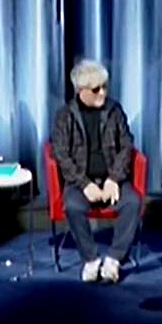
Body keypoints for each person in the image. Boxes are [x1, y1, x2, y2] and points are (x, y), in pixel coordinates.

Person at [51, 59, 142, 284]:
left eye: (104, 87)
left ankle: (114, 259)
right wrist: (85, 184)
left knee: (132, 202)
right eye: (95, 89)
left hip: (112, 179)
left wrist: (114, 179)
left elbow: (127, 146)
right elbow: (61, 155)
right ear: (80, 91)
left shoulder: (114, 111)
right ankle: (90, 259)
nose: (102, 93)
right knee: (72, 206)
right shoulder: (65, 116)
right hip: (80, 182)